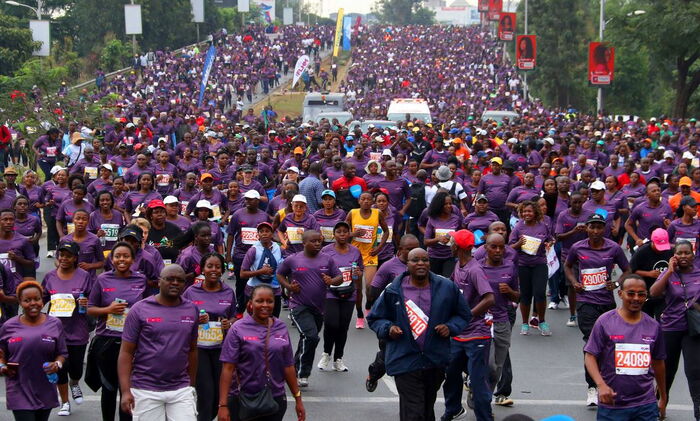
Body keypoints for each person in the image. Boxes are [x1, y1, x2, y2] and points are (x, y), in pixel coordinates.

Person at [367, 248, 471, 421]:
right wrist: (388, 328)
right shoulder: (394, 290)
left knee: (426, 409)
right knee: (413, 413)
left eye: (425, 260)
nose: (421, 263)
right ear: (407, 264)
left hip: (435, 361)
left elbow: (463, 314)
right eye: (415, 260)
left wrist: (450, 327)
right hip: (404, 360)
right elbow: (375, 318)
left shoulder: (447, 287)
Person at [565, 213, 630, 407]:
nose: (595, 231)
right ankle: (592, 387)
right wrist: (574, 282)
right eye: (591, 227)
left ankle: (607, 382)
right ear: (587, 228)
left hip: (607, 303)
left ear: (605, 229)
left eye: (599, 227)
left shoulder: (613, 248)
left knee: (609, 345)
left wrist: (617, 283)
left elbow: (627, 269)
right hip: (585, 302)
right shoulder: (578, 247)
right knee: (591, 343)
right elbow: (567, 266)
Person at [118, 264, 198, 420]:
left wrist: (191, 384)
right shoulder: (139, 309)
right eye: (170, 279)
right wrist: (126, 391)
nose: (175, 283)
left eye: (180, 280)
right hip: (146, 389)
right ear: (159, 281)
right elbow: (126, 352)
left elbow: (193, 349)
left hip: (181, 389)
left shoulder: (191, 309)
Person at [584, 274, 668, 421]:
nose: (636, 298)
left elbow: (658, 363)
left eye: (641, 294)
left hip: (645, 405)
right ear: (620, 294)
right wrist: (601, 385)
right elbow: (590, 355)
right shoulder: (605, 322)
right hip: (612, 405)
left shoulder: (654, 326)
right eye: (631, 293)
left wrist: (663, 396)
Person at [218, 284, 306, 421]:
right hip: (243, 398)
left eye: (269, 301)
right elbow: (228, 368)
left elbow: (288, 366)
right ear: (251, 303)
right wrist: (223, 405)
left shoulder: (281, 327)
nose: (265, 305)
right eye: (259, 301)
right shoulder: (237, 329)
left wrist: (298, 399)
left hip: (275, 398)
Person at [87, 241, 147, 421]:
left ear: (133, 259)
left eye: (126, 256)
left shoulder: (141, 279)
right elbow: (90, 309)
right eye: (118, 256)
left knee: (127, 389)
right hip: (107, 341)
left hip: (132, 343)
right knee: (109, 388)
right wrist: (108, 310)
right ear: (111, 259)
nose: (122, 259)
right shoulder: (103, 279)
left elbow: (147, 307)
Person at [276, 230, 342, 387]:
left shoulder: (327, 260)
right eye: (313, 241)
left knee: (307, 339)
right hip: (298, 306)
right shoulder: (293, 260)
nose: (318, 244)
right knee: (311, 337)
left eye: (319, 241)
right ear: (304, 243)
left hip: (318, 308)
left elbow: (339, 278)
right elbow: (279, 274)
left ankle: (290, 367)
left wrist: (331, 280)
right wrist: (288, 286)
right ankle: (302, 374)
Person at [442, 230, 495, 421]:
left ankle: (485, 418)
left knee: (478, 383)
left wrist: (467, 316)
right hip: (458, 334)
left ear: (458, 247)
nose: (449, 245)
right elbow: (450, 285)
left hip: (476, 336)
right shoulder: (459, 264)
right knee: (451, 376)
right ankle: (453, 410)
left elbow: (489, 298)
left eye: (452, 242)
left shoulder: (475, 270)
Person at [0, 281, 68, 421]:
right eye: (27, 300)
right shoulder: (8, 326)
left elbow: (62, 353)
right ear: (20, 302)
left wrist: (57, 364)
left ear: (42, 300)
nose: (33, 303)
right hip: (18, 388)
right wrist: (2, 367)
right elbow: (1, 354)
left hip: (45, 388)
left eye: (37, 299)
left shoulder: (55, 324)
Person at [650, 240, 700, 420]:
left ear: (693, 255)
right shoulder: (668, 274)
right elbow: (654, 293)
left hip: (693, 330)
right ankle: (659, 405)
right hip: (670, 328)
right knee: (666, 371)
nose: (684, 256)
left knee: (695, 372)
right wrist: (669, 271)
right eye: (680, 253)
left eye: (687, 253)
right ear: (674, 255)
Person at [183, 253, 236, 421]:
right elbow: (180, 316)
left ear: (222, 270)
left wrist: (230, 323)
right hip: (199, 349)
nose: (214, 270)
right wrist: (196, 320)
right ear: (202, 269)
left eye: (218, 267)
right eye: (210, 266)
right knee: (205, 392)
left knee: (219, 395)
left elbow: (234, 316)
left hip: (221, 349)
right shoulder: (191, 291)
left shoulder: (228, 292)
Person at [41, 240, 92, 416]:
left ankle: (75, 383)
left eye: (68, 255)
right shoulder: (50, 276)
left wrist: (85, 303)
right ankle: (64, 402)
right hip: (55, 332)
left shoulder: (84, 276)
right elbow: (42, 298)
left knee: (76, 368)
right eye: (61, 255)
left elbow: (92, 300)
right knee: (60, 368)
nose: (64, 258)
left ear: (75, 258)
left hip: (77, 330)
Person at [365, 234, 421, 393]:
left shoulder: (422, 265)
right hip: (391, 320)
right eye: (410, 250)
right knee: (388, 355)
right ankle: (374, 372)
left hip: (414, 319)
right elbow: (373, 292)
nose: (414, 253)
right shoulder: (388, 267)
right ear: (400, 249)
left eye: (417, 248)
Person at [318, 222, 364, 372]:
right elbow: (321, 270)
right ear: (334, 234)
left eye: (345, 232)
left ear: (349, 233)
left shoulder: (355, 251)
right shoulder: (325, 251)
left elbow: (359, 270)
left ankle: (338, 359)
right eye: (339, 232)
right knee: (331, 324)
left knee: (343, 327)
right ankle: (326, 353)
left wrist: (358, 274)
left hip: (349, 293)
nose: (342, 234)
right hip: (330, 292)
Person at [481, 233, 519, 407]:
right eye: (494, 247)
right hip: (481, 322)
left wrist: (510, 292)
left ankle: (484, 398)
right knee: (487, 364)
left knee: (497, 367)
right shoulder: (477, 268)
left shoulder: (510, 267)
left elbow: (518, 296)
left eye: (501, 247)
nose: (498, 250)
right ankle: (480, 395)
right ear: (485, 248)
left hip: (502, 321)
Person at [509, 200, 553, 336]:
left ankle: (542, 321)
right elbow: (509, 248)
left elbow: (550, 239)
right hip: (523, 265)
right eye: (524, 211)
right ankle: (524, 323)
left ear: (535, 213)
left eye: (529, 211)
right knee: (525, 295)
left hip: (539, 263)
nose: (526, 214)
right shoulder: (518, 227)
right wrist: (519, 243)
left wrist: (549, 243)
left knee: (540, 293)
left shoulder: (543, 226)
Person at [347, 191, 389, 324]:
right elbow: (342, 233)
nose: (366, 201)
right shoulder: (352, 213)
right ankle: (359, 314)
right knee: (358, 288)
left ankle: (368, 306)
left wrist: (379, 247)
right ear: (359, 201)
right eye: (363, 199)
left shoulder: (378, 213)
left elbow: (386, 231)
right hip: (355, 256)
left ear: (373, 202)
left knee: (370, 287)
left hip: (371, 254)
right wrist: (353, 233)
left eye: (369, 199)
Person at [226, 190, 271, 314]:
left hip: (259, 256)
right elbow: (230, 234)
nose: (248, 201)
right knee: (241, 285)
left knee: (258, 285)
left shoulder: (264, 216)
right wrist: (228, 255)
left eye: (251, 199)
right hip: (240, 255)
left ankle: (256, 311)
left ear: (257, 201)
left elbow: (268, 235)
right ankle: (239, 310)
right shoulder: (237, 215)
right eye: (246, 199)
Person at [240, 222, 284, 317]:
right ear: (258, 234)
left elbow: (285, 267)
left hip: (274, 290)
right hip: (254, 289)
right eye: (261, 231)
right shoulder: (253, 250)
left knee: (273, 320)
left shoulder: (279, 249)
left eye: (267, 231)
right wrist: (260, 272)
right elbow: (242, 274)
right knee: (255, 320)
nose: (264, 233)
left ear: (272, 234)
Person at [629, 228, 673, 320]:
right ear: (652, 242)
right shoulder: (642, 252)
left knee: (662, 321)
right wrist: (648, 274)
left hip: (663, 295)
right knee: (645, 322)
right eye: (658, 246)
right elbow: (631, 271)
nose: (661, 250)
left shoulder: (670, 251)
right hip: (645, 294)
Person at [424, 191, 462, 277]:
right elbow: (425, 241)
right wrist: (438, 239)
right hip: (434, 256)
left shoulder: (456, 218)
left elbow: (460, 233)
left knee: (447, 280)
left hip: (450, 257)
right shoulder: (432, 219)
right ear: (439, 205)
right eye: (445, 204)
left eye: (450, 203)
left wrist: (453, 237)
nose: (449, 206)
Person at [62, 208, 105, 279]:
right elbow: (57, 261)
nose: (80, 221)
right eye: (77, 218)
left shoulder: (95, 239)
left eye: (84, 219)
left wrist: (90, 266)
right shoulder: (65, 240)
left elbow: (101, 262)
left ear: (88, 221)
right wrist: (65, 266)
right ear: (73, 220)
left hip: (89, 280)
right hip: (70, 278)